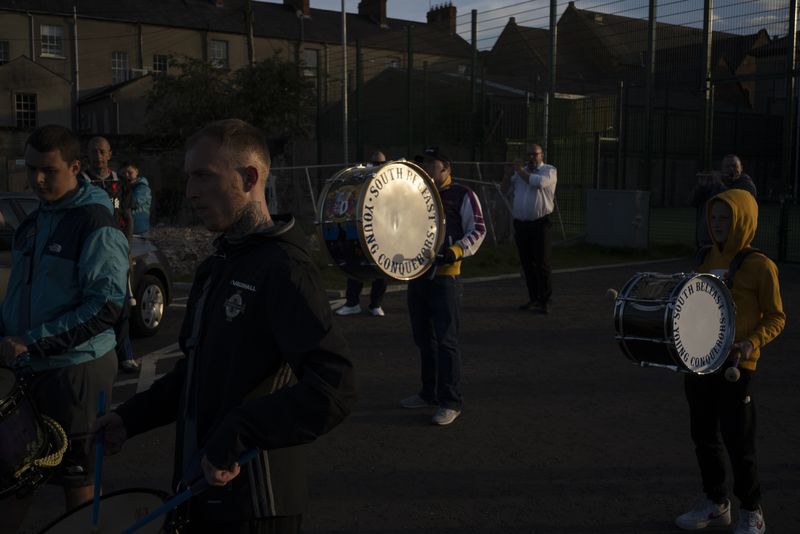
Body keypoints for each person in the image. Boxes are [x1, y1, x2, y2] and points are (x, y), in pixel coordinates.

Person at [91, 119, 357, 533]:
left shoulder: (285, 269)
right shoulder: (218, 264)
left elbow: (334, 387)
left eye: (203, 177)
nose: (190, 191)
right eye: (188, 177)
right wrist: (131, 417)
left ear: (249, 177)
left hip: (256, 503)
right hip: (199, 491)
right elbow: (196, 371)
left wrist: (239, 432)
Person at [0, 125, 129, 532]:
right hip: (30, 370)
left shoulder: (94, 222)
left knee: (78, 478)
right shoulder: (34, 223)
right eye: (31, 169)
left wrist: (32, 342)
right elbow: (19, 297)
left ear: (76, 167)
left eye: (48, 171)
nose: (37, 179)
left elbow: (106, 305)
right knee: (14, 476)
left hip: (76, 370)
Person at [675, 189, 784, 534]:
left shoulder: (761, 266)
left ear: (743, 220)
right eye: (714, 218)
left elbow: (776, 317)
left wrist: (752, 342)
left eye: (726, 218)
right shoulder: (704, 258)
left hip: (738, 366)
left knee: (739, 441)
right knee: (703, 436)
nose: (718, 225)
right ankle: (716, 502)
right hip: (700, 361)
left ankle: (752, 510)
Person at [399, 147, 486, 426]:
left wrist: (456, 251)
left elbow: (479, 229)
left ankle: (451, 401)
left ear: (446, 167)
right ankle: (428, 393)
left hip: (446, 277)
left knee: (446, 341)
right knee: (424, 339)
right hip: (418, 276)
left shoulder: (462, 194)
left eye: (430, 164)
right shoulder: (414, 195)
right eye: (421, 163)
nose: (424, 168)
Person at [83, 137, 139, 373]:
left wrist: (127, 249)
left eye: (102, 152)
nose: (98, 156)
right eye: (93, 152)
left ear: (109, 154)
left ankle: (125, 354)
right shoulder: (81, 182)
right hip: (91, 251)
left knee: (122, 304)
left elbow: (127, 217)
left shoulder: (120, 183)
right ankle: (94, 356)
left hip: (116, 252)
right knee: (91, 304)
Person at [501, 143, 557, 314]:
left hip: (540, 223)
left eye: (535, 154)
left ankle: (545, 299)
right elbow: (504, 190)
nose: (531, 158)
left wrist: (519, 170)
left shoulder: (549, 170)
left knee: (542, 262)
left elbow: (537, 183)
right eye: (529, 155)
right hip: (522, 223)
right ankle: (533, 298)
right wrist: (507, 174)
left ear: (542, 155)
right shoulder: (519, 173)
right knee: (527, 263)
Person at [336, 151, 389, 317]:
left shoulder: (389, 181)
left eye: (381, 163)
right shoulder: (364, 180)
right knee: (357, 262)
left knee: (382, 267)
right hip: (363, 228)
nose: (378, 167)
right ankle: (352, 303)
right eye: (375, 163)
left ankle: (376, 304)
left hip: (384, 230)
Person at [690, 154, 757, 247]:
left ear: (741, 168)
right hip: (707, 240)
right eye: (727, 166)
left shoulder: (746, 185)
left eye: (734, 166)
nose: (731, 169)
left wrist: (719, 183)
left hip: (732, 242)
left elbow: (733, 201)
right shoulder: (713, 183)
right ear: (722, 169)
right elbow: (693, 202)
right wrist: (701, 186)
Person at [120, 161, 152, 235]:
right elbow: (115, 204)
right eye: (123, 173)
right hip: (124, 229)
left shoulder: (143, 188)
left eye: (130, 173)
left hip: (139, 229)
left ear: (136, 172)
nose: (126, 176)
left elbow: (133, 203)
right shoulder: (121, 187)